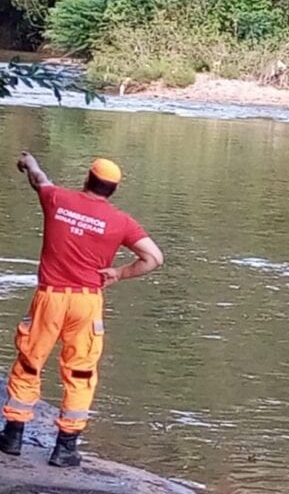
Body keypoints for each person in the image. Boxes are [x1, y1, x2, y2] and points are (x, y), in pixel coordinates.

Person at [0, 152, 163, 468]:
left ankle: (13, 436)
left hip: (50, 297)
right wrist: (119, 272)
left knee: (30, 362)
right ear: (113, 190)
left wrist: (30, 164)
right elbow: (154, 258)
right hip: (87, 302)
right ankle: (65, 449)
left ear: (87, 179)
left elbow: (39, 180)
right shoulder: (121, 222)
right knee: (80, 371)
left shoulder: (57, 199)